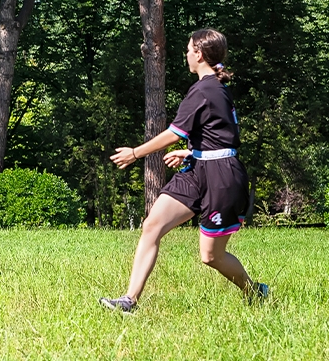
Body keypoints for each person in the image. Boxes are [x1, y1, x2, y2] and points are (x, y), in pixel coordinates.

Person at [100, 29, 268, 313]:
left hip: (221, 176)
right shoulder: (212, 87)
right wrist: (192, 152)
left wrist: (135, 153)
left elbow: (172, 134)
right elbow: (218, 132)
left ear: (199, 54)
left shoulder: (205, 89)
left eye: (189, 50)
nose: (186, 55)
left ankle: (255, 292)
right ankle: (129, 301)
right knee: (152, 226)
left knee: (210, 256)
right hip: (197, 169)